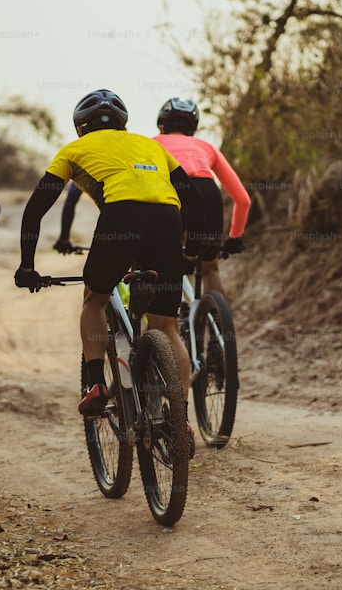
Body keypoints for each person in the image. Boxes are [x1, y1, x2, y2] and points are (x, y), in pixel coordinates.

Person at [14, 88, 205, 457]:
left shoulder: (73, 150)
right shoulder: (150, 146)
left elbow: (35, 209)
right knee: (167, 327)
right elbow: (195, 202)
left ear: (80, 127)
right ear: (123, 124)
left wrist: (27, 266)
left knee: (95, 298)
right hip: (168, 221)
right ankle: (180, 422)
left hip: (121, 218)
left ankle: (95, 385)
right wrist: (190, 254)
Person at [153, 97, 251, 296]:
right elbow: (243, 200)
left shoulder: (152, 143)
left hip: (171, 190)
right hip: (207, 193)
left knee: (161, 261)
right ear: (193, 129)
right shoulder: (206, 147)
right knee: (209, 267)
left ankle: (164, 312)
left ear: (162, 126)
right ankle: (216, 315)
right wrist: (235, 237)